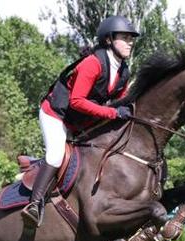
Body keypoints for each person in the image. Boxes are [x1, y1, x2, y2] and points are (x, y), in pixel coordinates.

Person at [21, 15, 139, 228]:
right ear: (109, 39)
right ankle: (34, 204)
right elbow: (76, 101)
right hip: (56, 114)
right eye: (125, 37)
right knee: (56, 155)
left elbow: (119, 101)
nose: (130, 42)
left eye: (132, 38)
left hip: (81, 122)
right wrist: (113, 114)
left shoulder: (123, 72)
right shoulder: (92, 64)